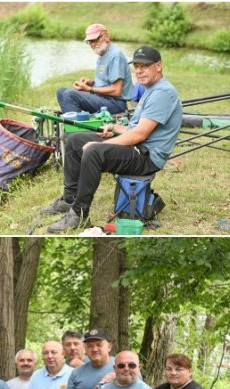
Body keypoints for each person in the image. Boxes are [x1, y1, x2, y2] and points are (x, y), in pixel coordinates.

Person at [46, 45, 183, 233]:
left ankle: (79, 214)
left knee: (93, 151)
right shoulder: (151, 89)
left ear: (158, 66)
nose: (140, 71)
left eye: (145, 66)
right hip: (138, 147)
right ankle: (69, 199)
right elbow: (137, 129)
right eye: (137, 66)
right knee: (75, 141)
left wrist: (99, 144)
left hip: (147, 157)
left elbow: (140, 135)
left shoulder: (162, 93)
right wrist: (115, 128)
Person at [56, 24, 132, 115]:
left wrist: (90, 89)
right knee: (61, 91)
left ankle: (77, 128)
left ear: (106, 37)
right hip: (103, 98)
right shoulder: (103, 54)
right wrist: (91, 83)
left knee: (70, 95)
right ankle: (74, 123)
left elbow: (116, 90)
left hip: (115, 103)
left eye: (95, 40)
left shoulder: (115, 56)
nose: (92, 44)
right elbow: (106, 83)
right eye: (90, 41)